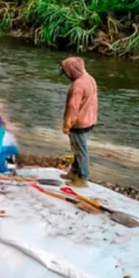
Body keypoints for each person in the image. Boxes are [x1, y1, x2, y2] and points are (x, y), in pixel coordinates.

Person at [60, 57, 98, 188]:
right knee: (77, 149)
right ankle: (74, 172)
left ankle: (82, 178)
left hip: (79, 122)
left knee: (80, 151)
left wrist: (67, 125)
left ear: (71, 70)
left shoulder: (77, 85)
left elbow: (73, 107)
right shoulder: (89, 78)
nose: (66, 75)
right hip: (90, 119)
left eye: (66, 72)